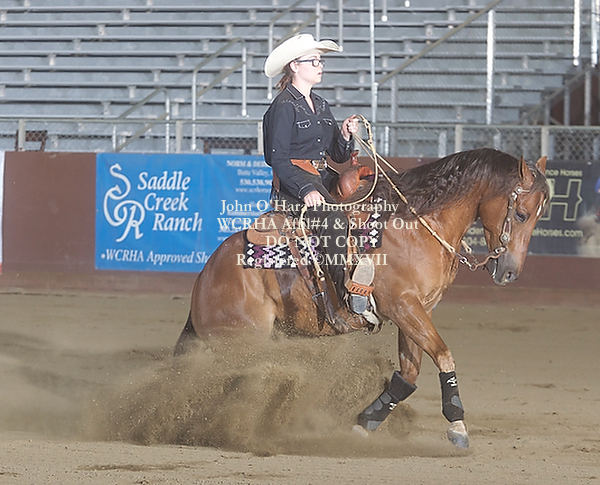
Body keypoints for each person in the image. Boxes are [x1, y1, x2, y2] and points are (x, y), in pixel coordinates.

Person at [262, 33, 374, 316]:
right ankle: (344, 291)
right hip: (293, 185)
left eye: (320, 61)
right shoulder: (284, 106)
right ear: (294, 66)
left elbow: (337, 155)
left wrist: (345, 135)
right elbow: (277, 159)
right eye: (313, 61)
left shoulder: (321, 105)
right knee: (334, 218)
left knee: (368, 202)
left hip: (321, 177)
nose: (319, 65)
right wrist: (305, 190)